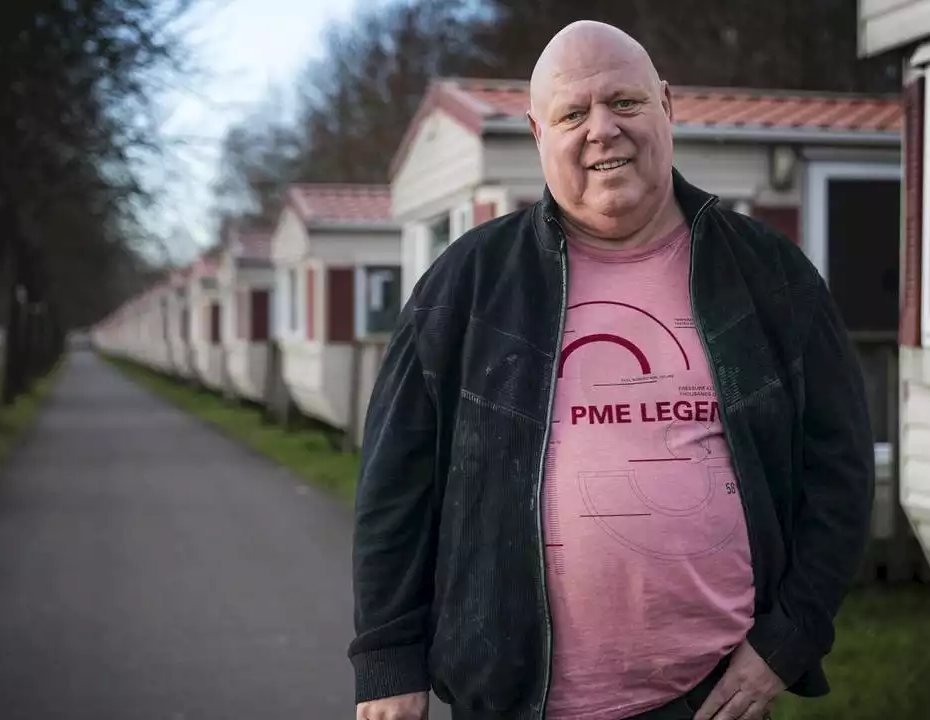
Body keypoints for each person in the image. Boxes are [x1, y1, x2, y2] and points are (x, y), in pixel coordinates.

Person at [350, 19, 875, 720]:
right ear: (540, 134)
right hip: (509, 698)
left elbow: (839, 474)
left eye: (624, 102)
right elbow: (395, 485)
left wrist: (787, 641)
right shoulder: (466, 285)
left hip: (709, 697)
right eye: (573, 113)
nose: (602, 130)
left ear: (666, 104)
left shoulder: (767, 276)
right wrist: (387, 662)